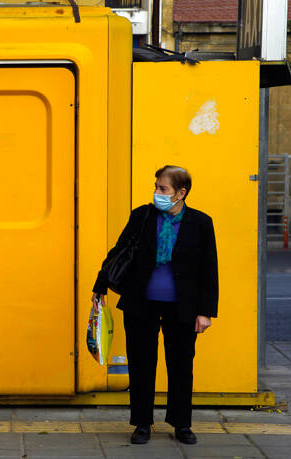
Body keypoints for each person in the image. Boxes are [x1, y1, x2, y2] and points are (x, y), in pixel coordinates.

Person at [91, 165, 218, 445]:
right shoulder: (142, 216)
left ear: (181, 193)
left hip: (182, 307)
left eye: (163, 189)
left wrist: (205, 312)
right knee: (141, 364)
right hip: (141, 303)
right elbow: (119, 251)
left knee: (181, 366)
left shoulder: (200, 222)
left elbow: (209, 270)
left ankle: (181, 423)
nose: (157, 193)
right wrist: (100, 286)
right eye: (156, 187)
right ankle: (142, 423)